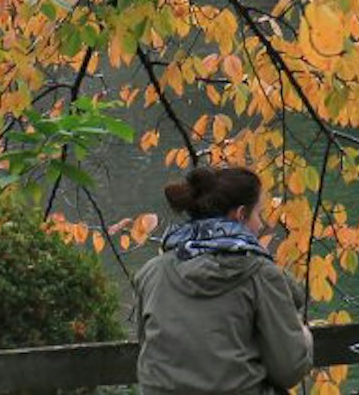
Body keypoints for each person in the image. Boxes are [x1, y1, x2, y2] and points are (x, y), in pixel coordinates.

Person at [133, 163, 316, 395]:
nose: (261, 225)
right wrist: (304, 337)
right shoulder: (261, 275)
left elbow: (147, 348)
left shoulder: (152, 273)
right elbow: (289, 369)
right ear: (240, 215)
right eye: (258, 213)